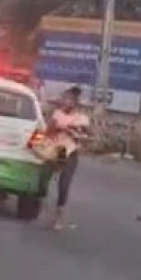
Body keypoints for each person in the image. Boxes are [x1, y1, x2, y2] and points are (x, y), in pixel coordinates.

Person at [47, 85, 91, 231]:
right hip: (56, 150)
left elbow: (87, 137)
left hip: (71, 152)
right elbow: (48, 131)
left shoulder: (82, 118)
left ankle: (58, 216)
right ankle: (36, 201)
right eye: (64, 99)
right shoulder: (57, 114)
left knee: (64, 184)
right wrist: (61, 129)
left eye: (69, 100)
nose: (65, 102)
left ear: (75, 102)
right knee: (45, 177)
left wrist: (77, 134)